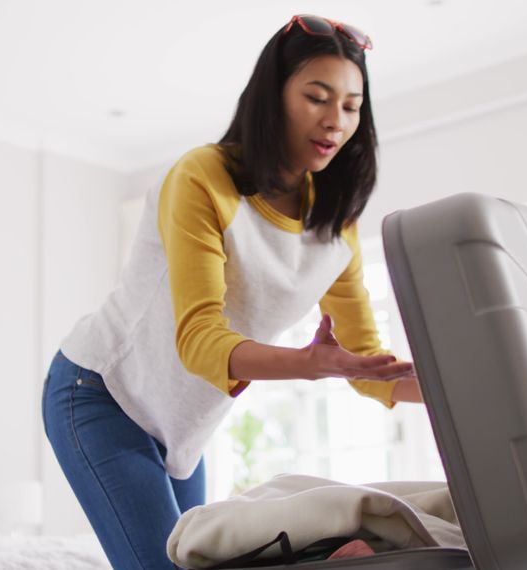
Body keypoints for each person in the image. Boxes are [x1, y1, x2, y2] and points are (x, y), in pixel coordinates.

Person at [42, 14, 423, 569]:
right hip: (100, 392)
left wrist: (456, 394)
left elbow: (367, 368)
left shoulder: (335, 220)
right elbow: (199, 341)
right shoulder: (202, 177)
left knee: (202, 562)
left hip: (184, 428)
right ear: (274, 97)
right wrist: (312, 364)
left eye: (351, 105)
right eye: (317, 97)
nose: (335, 121)